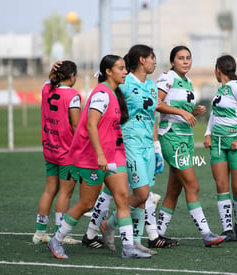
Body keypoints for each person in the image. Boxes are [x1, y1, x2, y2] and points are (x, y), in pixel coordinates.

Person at [47, 54, 152, 259]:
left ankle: (128, 247)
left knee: (122, 199)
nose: (125, 72)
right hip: (93, 159)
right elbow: (90, 125)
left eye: (125, 68)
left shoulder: (113, 93)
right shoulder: (101, 94)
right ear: (108, 72)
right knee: (86, 203)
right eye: (121, 68)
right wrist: (101, 156)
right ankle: (56, 240)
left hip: (115, 157)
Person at [82, 44, 176, 253]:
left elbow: (152, 116)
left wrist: (157, 147)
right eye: (152, 57)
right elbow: (103, 92)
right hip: (128, 144)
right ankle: (110, 225)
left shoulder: (152, 87)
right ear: (142, 60)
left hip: (147, 147)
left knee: (141, 196)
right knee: (141, 194)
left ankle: (135, 241)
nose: (155, 62)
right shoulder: (124, 84)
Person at [155, 45, 225, 247]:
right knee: (193, 185)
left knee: (173, 191)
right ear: (173, 61)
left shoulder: (188, 81)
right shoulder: (167, 77)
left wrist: (193, 112)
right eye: (181, 58)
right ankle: (207, 234)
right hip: (172, 137)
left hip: (185, 138)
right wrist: (182, 112)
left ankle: (157, 235)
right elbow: (156, 103)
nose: (185, 61)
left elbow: (179, 112)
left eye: (188, 58)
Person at [203, 55, 237, 242]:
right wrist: (207, 133)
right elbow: (215, 114)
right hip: (218, 144)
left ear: (218, 69)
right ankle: (227, 230)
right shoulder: (220, 90)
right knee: (221, 186)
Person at [33, 60, 81, 245]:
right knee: (65, 193)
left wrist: (52, 69)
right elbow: (76, 125)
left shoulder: (47, 89)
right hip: (67, 151)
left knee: (50, 190)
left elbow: (49, 81)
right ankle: (61, 234)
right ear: (72, 76)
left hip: (49, 148)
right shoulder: (73, 95)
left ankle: (39, 232)